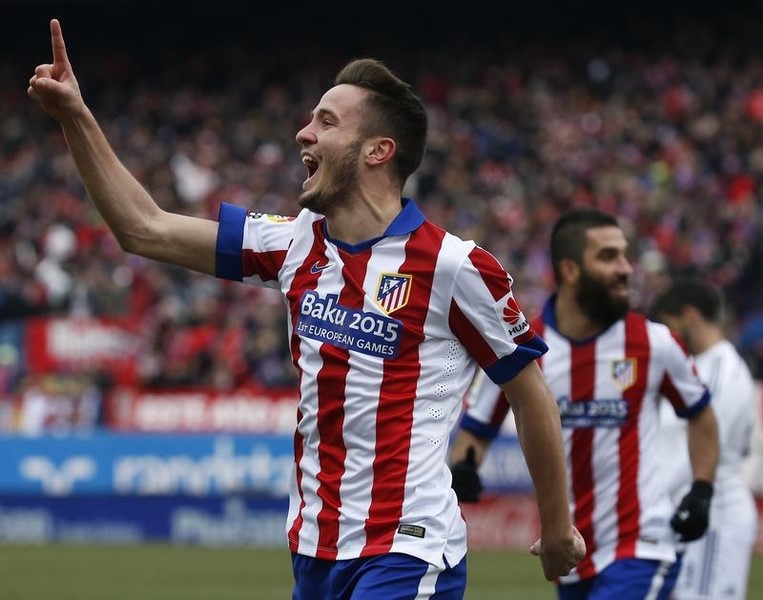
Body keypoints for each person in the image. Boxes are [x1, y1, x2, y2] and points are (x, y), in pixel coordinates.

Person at [28, 18, 585, 599]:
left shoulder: (454, 266)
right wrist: (75, 116)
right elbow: (144, 229)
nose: (303, 134)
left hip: (406, 545)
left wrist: (557, 527)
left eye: (326, 121)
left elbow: (529, 392)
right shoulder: (295, 242)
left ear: (378, 150)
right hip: (314, 550)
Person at [449, 208, 720, 599]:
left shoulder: (653, 342)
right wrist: (466, 467)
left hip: (642, 544)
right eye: (608, 257)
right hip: (570, 552)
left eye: (625, 255)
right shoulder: (522, 348)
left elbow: (701, 414)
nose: (626, 268)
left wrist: (702, 489)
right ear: (571, 270)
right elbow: (475, 433)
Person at [651, 279, 758, 600]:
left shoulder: (724, 371)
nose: (668, 336)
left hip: (714, 515)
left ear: (690, 316)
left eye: (670, 325)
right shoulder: (695, 367)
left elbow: (706, 449)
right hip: (684, 514)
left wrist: (650, 502)